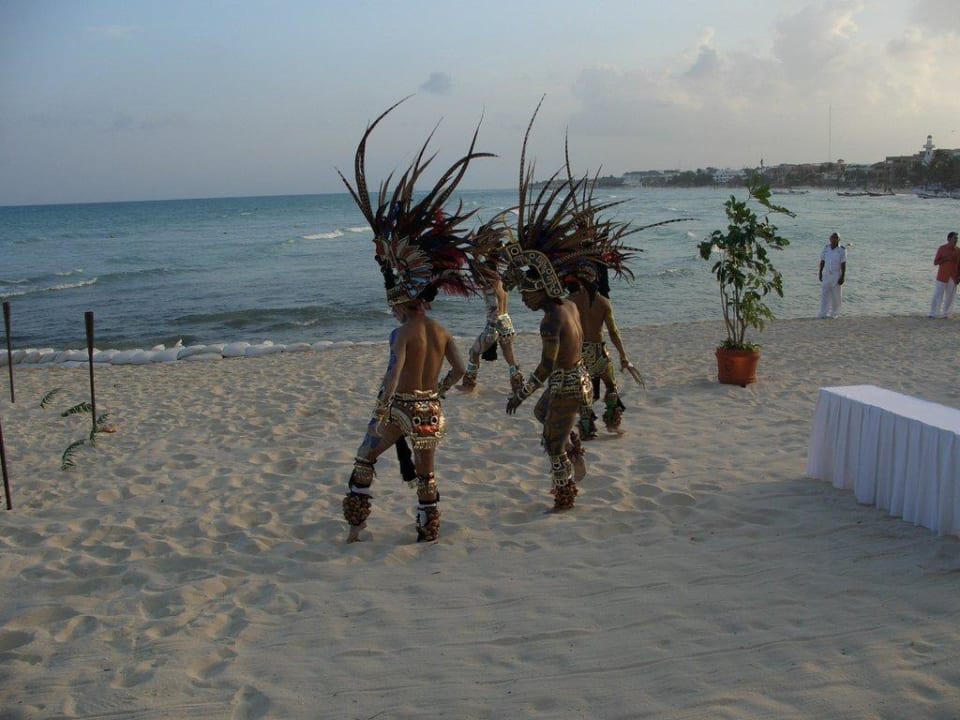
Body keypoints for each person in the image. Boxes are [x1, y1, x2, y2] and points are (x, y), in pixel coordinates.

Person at [337, 98, 494, 542]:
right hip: (432, 413)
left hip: (403, 410)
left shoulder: (402, 331)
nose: (391, 309)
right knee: (427, 475)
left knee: (365, 459)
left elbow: (392, 375)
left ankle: (355, 531)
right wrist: (437, 392)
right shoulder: (441, 331)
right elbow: (462, 373)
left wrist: (381, 411)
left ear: (401, 300)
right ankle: (428, 531)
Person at [566, 270, 634, 438]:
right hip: (599, 352)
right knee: (611, 386)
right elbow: (613, 332)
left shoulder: (569, 302)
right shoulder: (603, 302)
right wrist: (623, 355)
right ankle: (612, 422)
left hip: (579, 353)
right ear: (595, 280)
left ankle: (586, 428)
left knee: (584, 391)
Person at [458, 247, 524, 394]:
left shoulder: (490, 285)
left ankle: (469, 383)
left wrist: (490, 331)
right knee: (510, 357)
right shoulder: (502, 283)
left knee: (473, 352)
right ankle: (518, 385)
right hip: (507, 323)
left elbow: (494, 309)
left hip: (494, 325)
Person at [929, 231, 959, 319]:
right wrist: (946, 259)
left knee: (950, 297)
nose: (956, 240)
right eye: (954, 238)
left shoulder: (958, 250)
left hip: (953, 276)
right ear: (949, 239)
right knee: (937, 295)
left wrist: (958, 277)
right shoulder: (942, 248)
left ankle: (946, 314)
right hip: (942, 276)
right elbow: (935, 262)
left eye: (957, 238)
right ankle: (933, 313)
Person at [818, 232, 847, 319]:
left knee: (836, 295)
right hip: (826, 274)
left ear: (839, 239)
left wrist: (842, 276)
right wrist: (820, 273)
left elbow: (843, 264)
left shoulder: (842, 250)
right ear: (830, 239)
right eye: (832, 237)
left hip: (836, 274)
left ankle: (834, 314)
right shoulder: (826, 248)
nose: (834, 239)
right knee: (824, 294)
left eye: (836, 237)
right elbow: (822, 261)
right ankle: (823, 313)